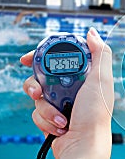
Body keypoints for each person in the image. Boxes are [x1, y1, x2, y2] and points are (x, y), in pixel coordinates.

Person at [20, 28, 114, 158]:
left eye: (69, 63)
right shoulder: (78, 53)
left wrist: (85, 139)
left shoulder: (44, 55)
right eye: (58, 64)